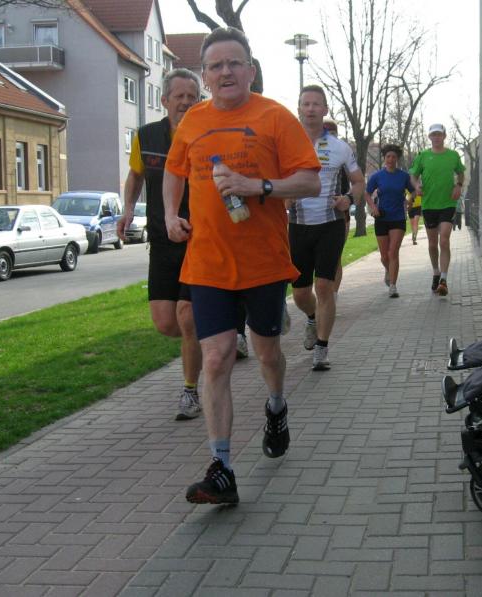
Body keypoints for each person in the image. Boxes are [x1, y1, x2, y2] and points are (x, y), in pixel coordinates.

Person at [163, 27, 321, 505]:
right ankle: (222, 469)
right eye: (216, 66)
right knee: (216, 358)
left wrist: (260, 188)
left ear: (250, 70)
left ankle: (276, 406)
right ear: (206, 76)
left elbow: (310, 181)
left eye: (235, 63)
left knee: (268, 353)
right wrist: (170, 214)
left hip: (263, 263)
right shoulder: (193, 120)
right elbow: (173, 170)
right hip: (207, 263)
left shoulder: (274, 116)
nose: (226, 72)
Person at [117, 68, 205, 421]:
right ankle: (214, 330)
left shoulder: (208, 134)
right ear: (165, 100)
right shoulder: (147, 136)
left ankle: (190, 391)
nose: (185, 102)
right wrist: (127, 209)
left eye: (192, 96)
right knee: (166, 323)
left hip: (199, 240)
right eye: (179, 96)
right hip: (162, 240)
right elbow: (136, 175)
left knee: (187, 318)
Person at [290, 84, 364, 371]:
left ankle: (322, 347)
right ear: (299, 108)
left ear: (325, 109)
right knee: (300, 293)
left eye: (316, 104)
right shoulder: (285, 143)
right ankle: (312, 317)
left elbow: (359, 182)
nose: (310, 109)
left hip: (330, 224)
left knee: (324, 286)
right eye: (305, 104)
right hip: (298, 225)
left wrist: (349, 199)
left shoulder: (339, 147)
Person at [410, 123, 465, 296]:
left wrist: (458, 185)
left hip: (448, 203)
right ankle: (435, 272)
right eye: (433, 135)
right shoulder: (423, 156)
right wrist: (416, 186)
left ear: (444, 136)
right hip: (429, 205)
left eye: (439, 134)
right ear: (429, 137)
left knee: (444, 240)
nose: (436, 137)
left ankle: (444, 279)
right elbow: (413, 175)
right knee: (433, 244)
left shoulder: (453, 155)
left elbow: (461, 172)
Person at [365, 144, 415, 298]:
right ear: (384, 158)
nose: (391, 159)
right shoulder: (377, 176)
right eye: (388, 157)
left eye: (394, 157)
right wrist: (373, 206)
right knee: (384, 256)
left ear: (397, 159)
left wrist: (409, 200)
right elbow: (366, 193)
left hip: (398, 218)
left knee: (393, 252)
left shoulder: (403, 176)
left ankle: (393, 286)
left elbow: (413, 191)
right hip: (382, 217)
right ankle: (388, 269)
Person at [323, 118, 353, 300]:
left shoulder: (343, 154)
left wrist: (347, 198)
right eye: (326, 133)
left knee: (335, 256)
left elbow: (357, 181)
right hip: (314, 213)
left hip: (340, 212)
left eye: (332, 133)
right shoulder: (310, 151)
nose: (329, 137)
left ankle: (333, 295)